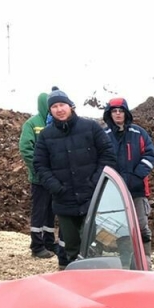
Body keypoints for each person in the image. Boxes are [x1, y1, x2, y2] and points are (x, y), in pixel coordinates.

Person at [33, 89, 116, 266]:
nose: (59, 109)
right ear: (50, 111)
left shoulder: (91, 128)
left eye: (62, 104)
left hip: (92, 199)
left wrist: (96, 183)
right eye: (54, 106)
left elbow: (107, 155)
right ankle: (72, 279)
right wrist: (55, 186)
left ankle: (97, 284)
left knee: (94, 245)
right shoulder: (46, 136)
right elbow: (40, 165)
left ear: (70, 106)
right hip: (64, 200)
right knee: (71, 247)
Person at [103, 97, 154, 246]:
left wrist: (137, 175)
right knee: (117, 229)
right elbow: (100, 160)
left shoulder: (138, 133)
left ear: (126, 113)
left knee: (141, 227)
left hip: (137, 189)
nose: (118, 114)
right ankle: (123, 259)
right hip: (113, 191)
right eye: (114, 111)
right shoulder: (104, 135)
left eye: (121, 111)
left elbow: (150, 155)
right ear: (109, 114)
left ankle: (145, 261)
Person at [19, 91, 55, 258]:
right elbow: (26, 149)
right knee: (39, 210)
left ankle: (49, 241)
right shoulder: (32, 124)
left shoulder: (56, 123)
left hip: (55, 178)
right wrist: (39, 170)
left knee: (51, 210)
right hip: (40, 179)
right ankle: (37, 245)